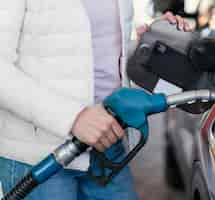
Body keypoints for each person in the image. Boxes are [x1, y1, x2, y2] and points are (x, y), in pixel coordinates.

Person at [0, 0, 191, 199]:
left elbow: (98, 52)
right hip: (38, 154)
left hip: (107, 146)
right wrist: (74, 117)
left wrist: (153, 41)